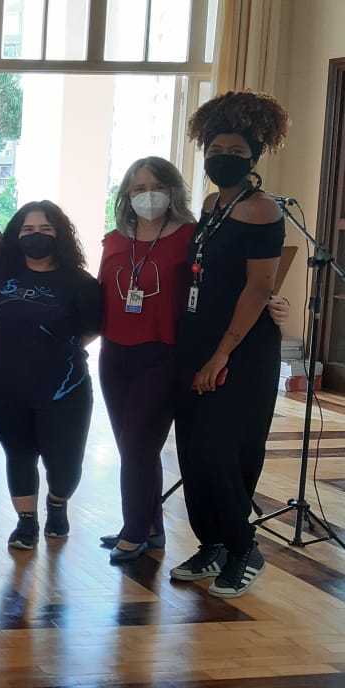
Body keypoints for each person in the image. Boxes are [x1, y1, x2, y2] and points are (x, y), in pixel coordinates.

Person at [98, 156, 290, 564]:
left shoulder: (191, 236)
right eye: (138, 188)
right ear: (126, 194)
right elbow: (100, 295)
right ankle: (151, 527)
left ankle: (134, 531)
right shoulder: (114, 239)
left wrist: (272, 301)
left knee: (138, 443)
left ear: (172, 191)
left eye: (156, 187)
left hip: (165, 351)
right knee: (131, 445)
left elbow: (227, 281)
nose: (147, 195)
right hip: (115, 354)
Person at [170, 92, 289, 599]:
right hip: (197, 339)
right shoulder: (212, 204)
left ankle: (244, 548)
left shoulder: (262, 210)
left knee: (221, 451)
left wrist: (222, 354)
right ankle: (213, 543)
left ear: (253, 156)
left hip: (240, 350)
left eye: (235, 151)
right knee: (192, 451)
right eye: (215, 149)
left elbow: (259, 288)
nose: (223, 157)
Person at [0, 201, 102, 550]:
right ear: (16, 235)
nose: (36, 236)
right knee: (19, 455)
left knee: (64, 465)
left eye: (45, 229)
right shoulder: (0, 276)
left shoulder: (80, 282)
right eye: (28, 230)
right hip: (8, 388)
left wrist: (51, 348)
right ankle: (26, 522)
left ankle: (57, 503)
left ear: (60, 235)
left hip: (63, 389)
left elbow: (92, 329)